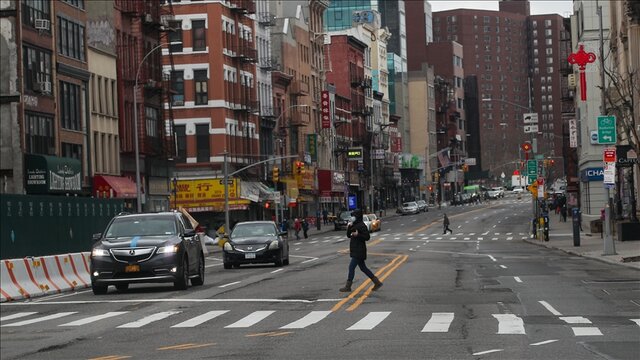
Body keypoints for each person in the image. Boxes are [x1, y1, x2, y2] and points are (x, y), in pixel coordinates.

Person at [339, 209, 383, 292]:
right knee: (363, 268)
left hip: (359, 251)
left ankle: (348, 286)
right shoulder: (354, 224)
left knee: (351, 267)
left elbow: (367, 237)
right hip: (355, 249)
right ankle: (377, 282)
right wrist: (349, 227)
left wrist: (358, 235)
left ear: (357, 216)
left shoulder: (362, 225)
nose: (352, 217)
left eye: (354, 216)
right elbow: (348, 235)